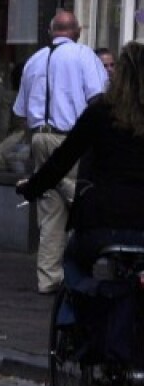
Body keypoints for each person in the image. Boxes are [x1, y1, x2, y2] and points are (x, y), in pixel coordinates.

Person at [18, 42, 144, 353]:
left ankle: (74, 327)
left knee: (74, 262)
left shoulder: (100, 112)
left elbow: (62, 159)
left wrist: (32, 188)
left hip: (102, 222)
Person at [13, 9, 109, 294]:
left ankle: (48, 278)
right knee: (82, 195)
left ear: (51, 31)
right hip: (69, 140)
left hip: (39, 138)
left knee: (51, 209)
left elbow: (20, 109)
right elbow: (99, 99)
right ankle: (90, 261)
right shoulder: (83, 56)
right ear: (77, 31)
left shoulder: (34, 61)